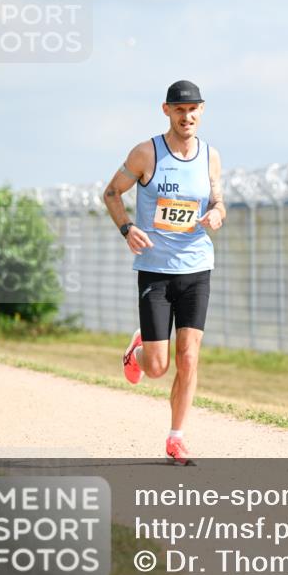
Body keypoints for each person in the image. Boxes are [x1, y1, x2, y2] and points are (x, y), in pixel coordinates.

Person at [102, 80, 225, 465]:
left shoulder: (210, 157)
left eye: (193, 110)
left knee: (189, 357)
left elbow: (218, 198)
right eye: (178, 110)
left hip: (197, 268)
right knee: (157, 367)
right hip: (155, 270)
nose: (186, 117)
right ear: (166, 111)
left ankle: (177, 437)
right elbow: (111, 193)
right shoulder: (145, 153)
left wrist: (217, 214)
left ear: (201, 111)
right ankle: (137, 352)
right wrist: (127, 228)